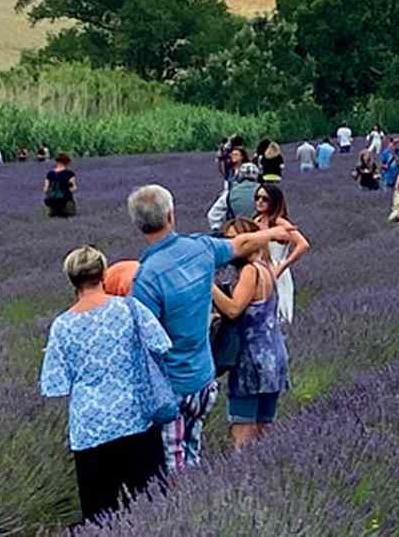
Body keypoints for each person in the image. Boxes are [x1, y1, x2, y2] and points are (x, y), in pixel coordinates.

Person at [127, 184, 291, 473]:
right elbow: (238, 245)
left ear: (138, 225)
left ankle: (181, 510)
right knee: (193, 447)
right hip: (203, 379)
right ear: (171, 215)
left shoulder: (146, 277)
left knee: (172, 461)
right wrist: (269, 234)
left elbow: (145, 339)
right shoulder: (199, 248)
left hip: (173, 384)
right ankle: (199, 500)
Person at [39, 246, 169, 524]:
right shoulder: (130, 308)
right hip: (135, 418)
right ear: (104, 273)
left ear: (71, 280)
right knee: (153, 508)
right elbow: (161, 344)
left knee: (99, 516)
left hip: (90, 428)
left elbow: (54, 385)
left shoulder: (62, 326)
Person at [210, 218, 290, 448]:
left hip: (251, 361)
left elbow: (234, 310)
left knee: (243, 430)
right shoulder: (266, 268)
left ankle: (243, 479)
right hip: (274, 356)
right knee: (264, 429)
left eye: (236, 239)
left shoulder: (249, 271)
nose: (231, 246)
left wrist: (208, 284)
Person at [254, 184, 310, 324]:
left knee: (279, 314)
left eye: (265, 199)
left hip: (276, 270)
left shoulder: (279, 222)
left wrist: (283, 265)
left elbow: (303, 244)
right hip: (259, 270)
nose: (259, 202)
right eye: (257, 198)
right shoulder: (256, 221)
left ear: (274, 202)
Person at [207, 163, 261, 231]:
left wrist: (217, 228)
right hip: (259, 230)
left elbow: (213, 214)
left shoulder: (230, 192)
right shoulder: (263, 191)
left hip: (237, 230)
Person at [44, 153, 77, 218]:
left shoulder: (49, 174)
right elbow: (73, 188)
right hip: (64, 200)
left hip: (51, 200)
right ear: (67, 162)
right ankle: (65, 210)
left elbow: (45, 189)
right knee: (71, 213)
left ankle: (53, 211)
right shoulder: (69, 173)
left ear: (56, 162)